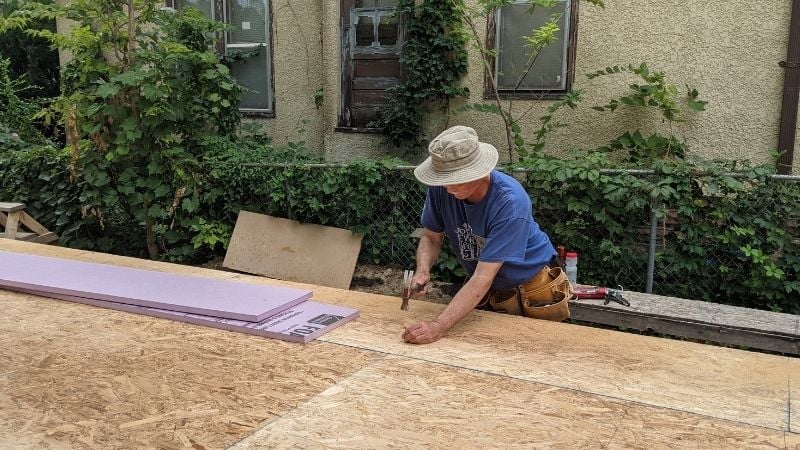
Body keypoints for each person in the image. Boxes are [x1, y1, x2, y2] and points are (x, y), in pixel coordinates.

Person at [402, 125, 571, 345]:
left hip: (534, 286)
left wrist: (438, 326)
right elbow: (431, 237)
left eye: (457, 179)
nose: (449, 187)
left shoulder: (510, 203)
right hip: (489, 287)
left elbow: (483, 276)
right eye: (444, 179)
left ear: (479, 171)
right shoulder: (441, 189)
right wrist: (423, 270)